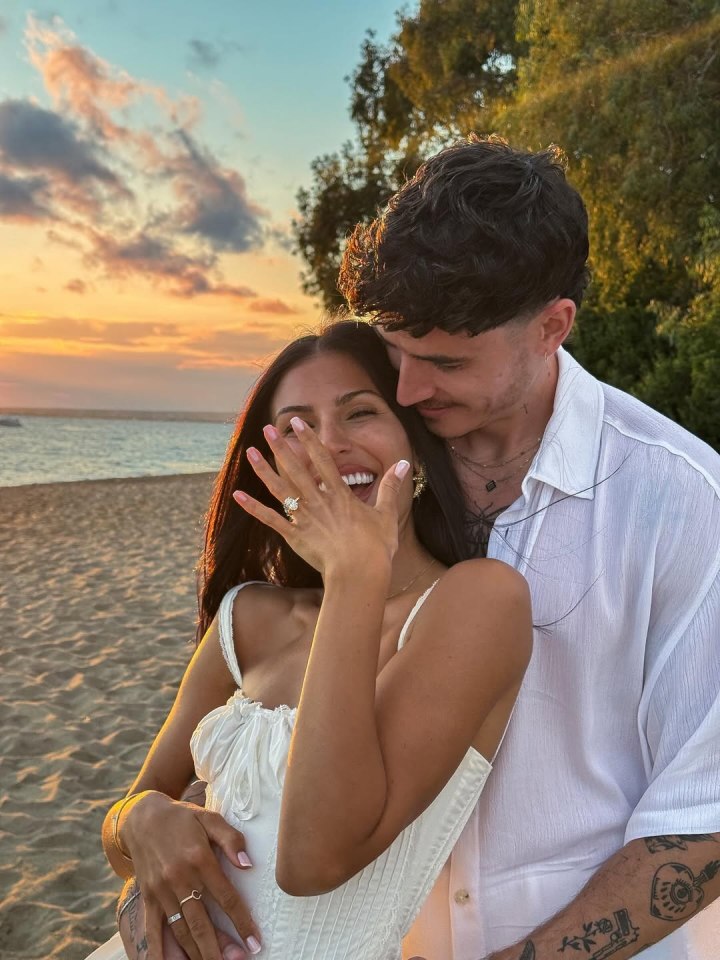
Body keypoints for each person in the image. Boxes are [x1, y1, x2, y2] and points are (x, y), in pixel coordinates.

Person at [334, 135, 720, 960]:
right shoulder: (365, 460)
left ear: (552, 327)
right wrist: (150, 812)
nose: (405, 389)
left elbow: (704, 822)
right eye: (394, 350)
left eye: (443, 361)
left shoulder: (683, 498)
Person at [100, 319, 533, 960]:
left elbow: (313, 860)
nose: (329, 444)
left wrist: (357, 574)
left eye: (360, 413)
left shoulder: (477, 602)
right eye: (297, 427)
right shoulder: (247, 616)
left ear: (413, 438)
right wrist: (139, 821)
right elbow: (128, 818)